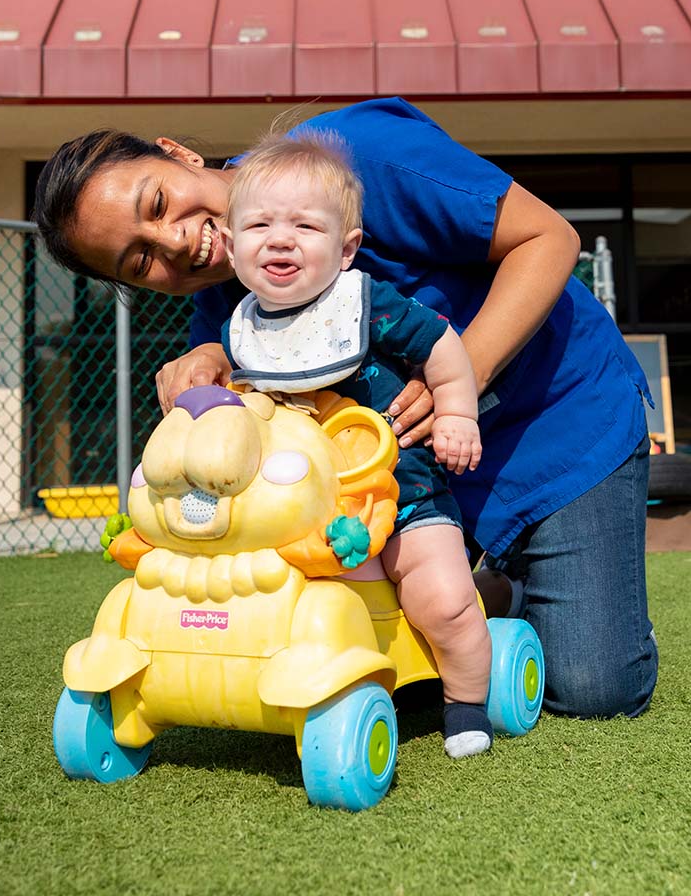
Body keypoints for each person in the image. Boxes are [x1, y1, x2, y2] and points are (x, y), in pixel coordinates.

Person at [34, 97, 658, 722]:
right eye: (140, 260)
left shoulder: (355, 154)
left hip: (558, 423)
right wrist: (208, 371)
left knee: (593, 689)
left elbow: (549, 237)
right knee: (389, 664)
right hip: (411, 489)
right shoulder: (225, 301)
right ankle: (486, 586)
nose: (174, 242)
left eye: (157, 203)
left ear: (177, 154)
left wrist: (459, 376)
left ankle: (516, 585)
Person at [220, 129, 492, 758]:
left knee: (442, 600)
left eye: (305, 227)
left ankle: (467, 698)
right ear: (233, 247)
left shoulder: (364, 304)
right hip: (311, 515)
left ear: (346, 250)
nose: (281, 238)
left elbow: (443, 348)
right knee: (312, 613)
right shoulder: (244, 330)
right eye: (260, 224)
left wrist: (456, 413)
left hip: (404, 496)